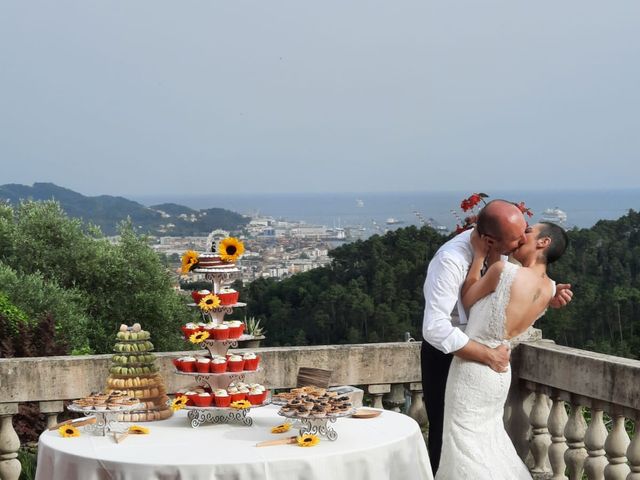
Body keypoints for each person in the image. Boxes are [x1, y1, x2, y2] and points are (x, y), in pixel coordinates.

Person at [420, 200, 572, 474]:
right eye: (516, 239)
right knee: (450, 440)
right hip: (453, 354)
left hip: (487, 367)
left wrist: (542, 295)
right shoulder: (451, 260)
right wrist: (486, 353)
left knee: (477, 441)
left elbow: (490, 297)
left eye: (526, 232)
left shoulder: (502, 260)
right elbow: (434, 328)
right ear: (490, 240)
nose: (518, 244)